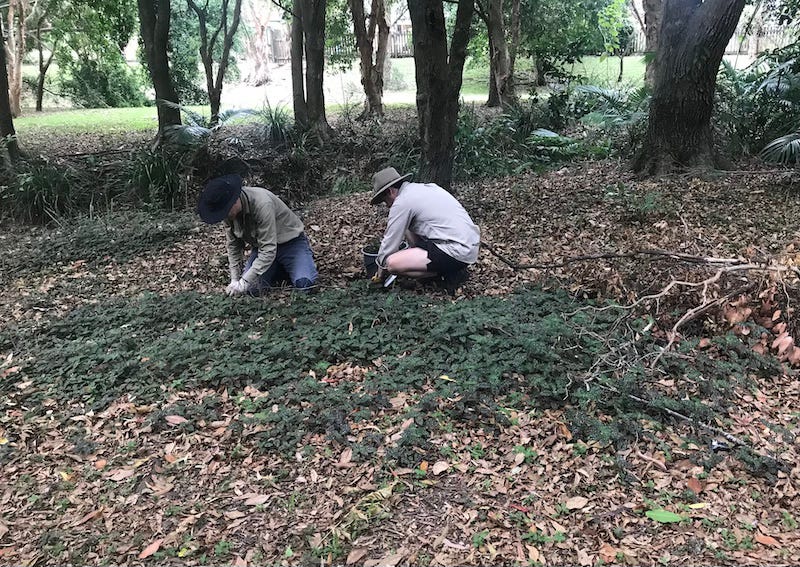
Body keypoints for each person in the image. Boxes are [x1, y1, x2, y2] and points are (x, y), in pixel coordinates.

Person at [197, 174, 318, 295]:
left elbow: (269, 250)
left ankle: (292, 265)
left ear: (234, 201)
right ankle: (280, 269)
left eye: (225, 212)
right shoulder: (229, 215)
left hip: (291, 244)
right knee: (252, 290)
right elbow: (234, 246)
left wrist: (244, 281)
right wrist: (235, 279)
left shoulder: (262, 203)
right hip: (261, 250)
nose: (224, 216)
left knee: (304, 285)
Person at [369, 166, 480, 293]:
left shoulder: (402, 202)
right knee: (407, 227)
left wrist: (379, 276)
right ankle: (447, 270)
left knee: (392, 263)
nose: (388, 206)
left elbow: (389, 245)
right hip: (468, 245)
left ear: (390, 192)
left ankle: (447, 274)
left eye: (385, 201)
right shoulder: (425, 188)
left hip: (455, 250)